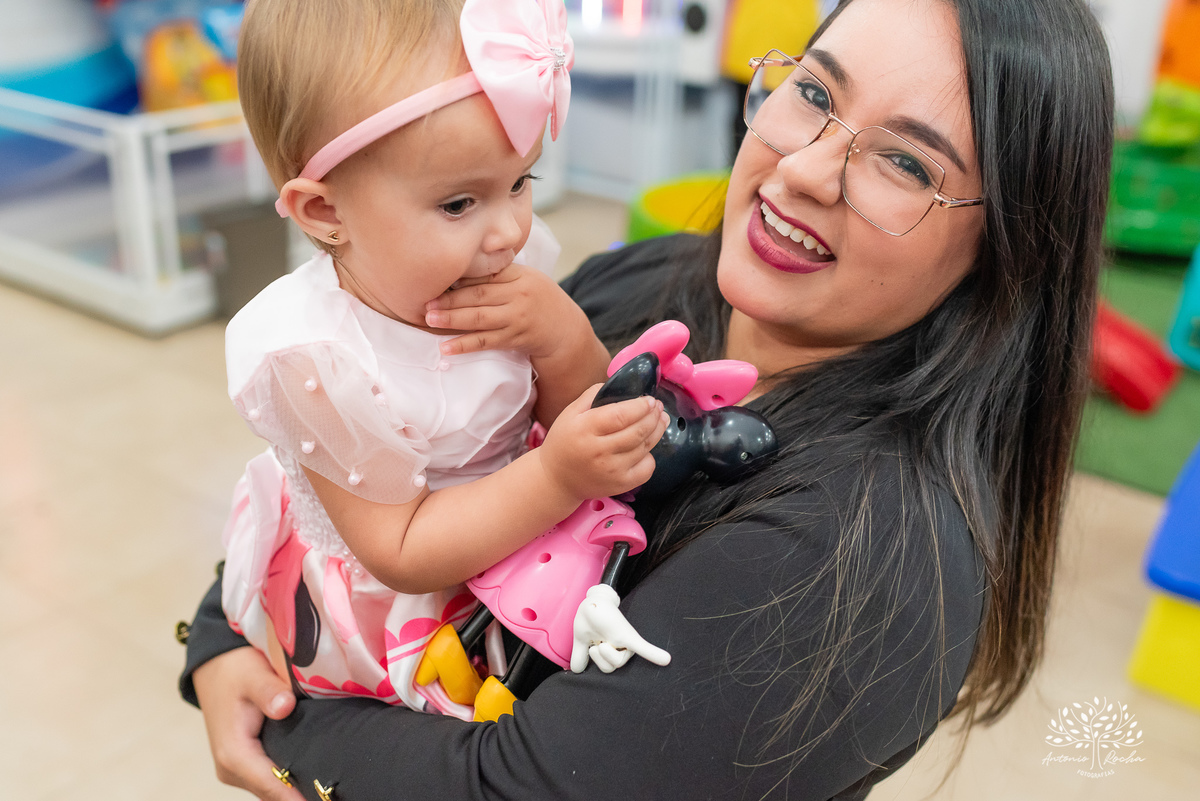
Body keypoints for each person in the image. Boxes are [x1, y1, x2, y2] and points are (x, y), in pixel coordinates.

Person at [180, 0, 1114, 797]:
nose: (803, 169)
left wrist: (280, 722)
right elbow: (362, 466)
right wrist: (222, 639)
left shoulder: (864, 556)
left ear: (1009, 249)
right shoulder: (652, 281)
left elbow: (514, 787)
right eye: (817, 95)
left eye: (907, 164)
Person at [217, 0, 673, 722]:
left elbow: (581, 408)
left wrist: (560, 336)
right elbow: (399, 546)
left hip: (523, 533)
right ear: (325, 212)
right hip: (411, 600)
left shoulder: (498, 263)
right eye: (460, 202)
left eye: (523, 181)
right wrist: (555, 474)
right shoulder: (321, 361)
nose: (509, 232)